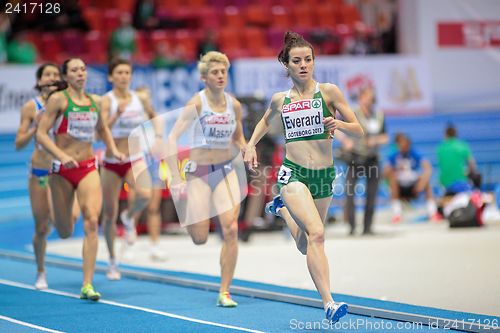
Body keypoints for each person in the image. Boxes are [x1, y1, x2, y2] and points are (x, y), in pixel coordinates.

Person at [243, 31, 363, 324]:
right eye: (296, 60)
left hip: (323, 174)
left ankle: (282, 212)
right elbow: (263, 121)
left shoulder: (329, 92)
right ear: (287, 65)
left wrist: (340, 123)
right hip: (293, 174)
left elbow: (359, 129)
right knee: (318, 234)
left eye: (308, 59)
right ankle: (329, 303)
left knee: (306, 243)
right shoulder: (280, 99)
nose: (303, 65)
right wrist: (249, 145)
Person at [36, 58, 124, 301]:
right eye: (74, 70)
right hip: (62, 171)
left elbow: (103, 129)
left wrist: (113, 149)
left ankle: (87, 284)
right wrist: (62, 156)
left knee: (92, 222)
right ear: (66, 76)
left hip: (87, 167)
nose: (80, 73)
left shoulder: (95, 101)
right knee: (64, 231)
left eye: (83, 69)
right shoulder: (59, 100)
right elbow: (41, 134)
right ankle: (65, 209)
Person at [167, 51, 246, 307]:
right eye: (215, 72)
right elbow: (171, 139)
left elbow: (238, 138)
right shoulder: (197, 103)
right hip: (199, 172)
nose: (220, 76)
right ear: (204, 77)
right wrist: (176, 178)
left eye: (223, 71)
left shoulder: (234, 105)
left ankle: (225, 292)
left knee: (231, 229)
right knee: (200, 238)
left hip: (225, 169)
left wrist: (248, 148)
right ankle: (185, 203)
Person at [15, 63, 80, 290]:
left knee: (69, 220)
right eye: (47, 75)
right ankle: (41, 271)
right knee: (41, 228)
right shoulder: (31, 108)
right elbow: (18, 143)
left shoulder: (66, 102)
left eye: (55, 74)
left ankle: (63, 211)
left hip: (62, 169)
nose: (52, 78)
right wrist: (37, 128)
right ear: (39, 80)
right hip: (40, 171)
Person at [100, 59, 161, 279]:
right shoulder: (106, 101)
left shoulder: (140, 98)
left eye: (127, 72)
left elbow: (155, 117)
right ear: (111, 77)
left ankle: (129, 216)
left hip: (134, 157)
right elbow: (100, 132)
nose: (124, 76)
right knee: (108, 213)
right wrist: (117, 114)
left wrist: (158, 137)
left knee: (145, 195)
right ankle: (112, 262)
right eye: (119, 72)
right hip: (112, 160)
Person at [337, 86, 388, 235]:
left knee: (372, 193)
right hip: (355, 157)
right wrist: (345, 141)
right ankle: (352, 227)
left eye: (371, 98)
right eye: (366, 97)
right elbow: (336, 126)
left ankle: (367, 227)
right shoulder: (353, 113)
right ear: (360, 98)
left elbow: (385, 137)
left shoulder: (378, 115)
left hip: (372, 159)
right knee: (350, 193)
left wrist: (375, 140)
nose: (368, 101)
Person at [384, 133, 439, 223]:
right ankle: (397, 215)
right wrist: (391, 174)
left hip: (414, 186)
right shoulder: (394, 156)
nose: (402, 146)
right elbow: (385, 172)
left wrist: (422, 181)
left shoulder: (415, 154)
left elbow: (428, 168)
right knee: (393, 182)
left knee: (427, 183)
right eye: (400, 143)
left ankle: (432, 213)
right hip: (400, 186)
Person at [437, 124, 479, 196]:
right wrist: (468, 173)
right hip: (461, 182)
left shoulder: (440, 148)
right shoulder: (462, 146)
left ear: (445, 135)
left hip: (445, 183)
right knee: (477, 176)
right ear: (456, 134)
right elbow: (472, 164)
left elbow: (444, 166)